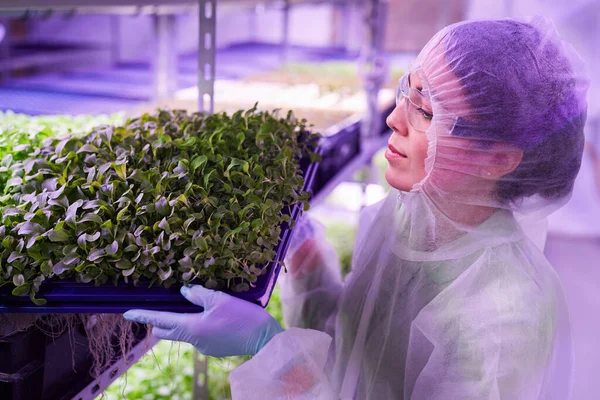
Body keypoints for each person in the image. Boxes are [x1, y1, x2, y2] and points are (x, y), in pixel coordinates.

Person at [124, 16, 589, 399]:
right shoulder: (409, 215)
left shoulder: (503, 320)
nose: (393, 118)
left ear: (498, 160)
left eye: (427, 113)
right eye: (408, 90)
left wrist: (266, 348)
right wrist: (301, 252)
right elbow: (353, 338)